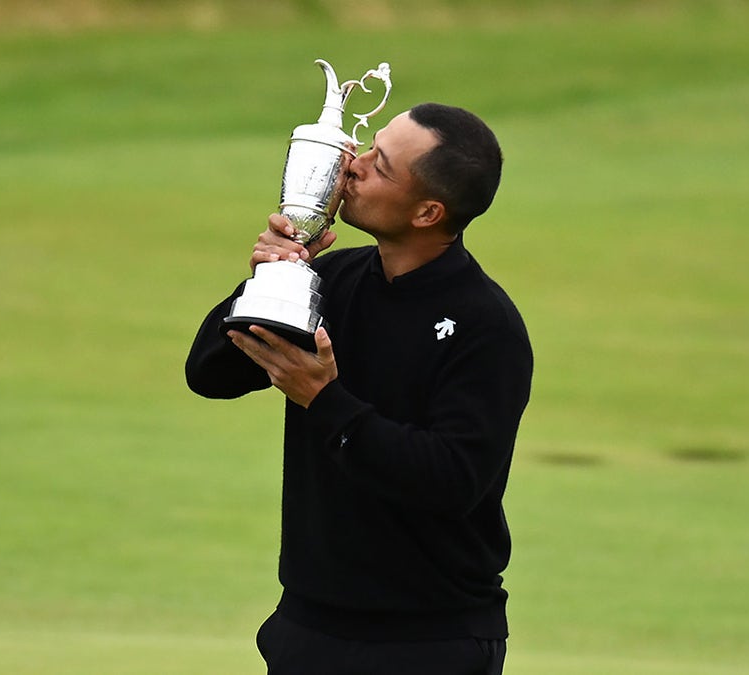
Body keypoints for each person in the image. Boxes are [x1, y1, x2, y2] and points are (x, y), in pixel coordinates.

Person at [185, 103, 533, 674]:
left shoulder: (484, 325)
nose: (353, 165)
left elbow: (450, 480)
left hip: (428, 642)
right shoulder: (335, 280)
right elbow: (210, 375)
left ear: (428, 212)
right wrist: (269, 279)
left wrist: (325, 401)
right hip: (309, 627)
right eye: (368, 146)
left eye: (381, 165)